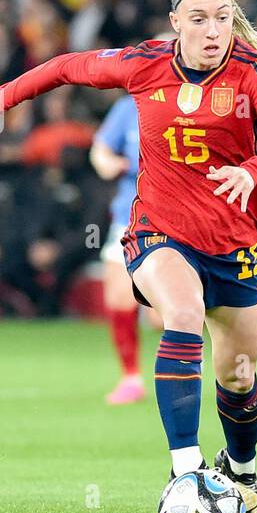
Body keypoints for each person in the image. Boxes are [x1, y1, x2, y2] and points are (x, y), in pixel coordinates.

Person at [0, 0, 257, 513]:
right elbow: (65, 67)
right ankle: (185, 475)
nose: (213, 30)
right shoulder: (144, 65)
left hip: (233, 246)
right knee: (182, 314)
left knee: (238, 375)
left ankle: (241, 475)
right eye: (199, 19)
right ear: (175, 23)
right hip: (159, 233)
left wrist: (253, 170)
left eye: (222, 18)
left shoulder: (256, 71)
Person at [90, 94, 146, 404]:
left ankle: (190, 366)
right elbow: (100, 150)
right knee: (119, 296)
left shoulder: (190, 101)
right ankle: (131, 376)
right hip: (128, 214)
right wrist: (109, 163)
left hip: (174, 217)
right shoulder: (128, 107)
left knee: (163, 313)